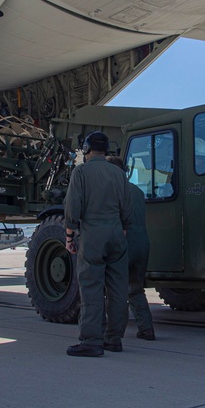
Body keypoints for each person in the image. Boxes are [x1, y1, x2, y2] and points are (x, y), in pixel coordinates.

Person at [64, 131, 133, 357]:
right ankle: (114, 339)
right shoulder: (118, 173)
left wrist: (69, 236)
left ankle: (92, 341)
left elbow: (73, 206)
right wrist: (121, 228)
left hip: (93, 233)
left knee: (92, 287)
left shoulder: (81, 172)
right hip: (116, 233)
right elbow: (127, 207)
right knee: (117, 289)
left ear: (86, 148)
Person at [107, 156, 156, 341]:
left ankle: (114, 333)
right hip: (142, 245)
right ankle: (146, 329)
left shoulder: (112, 191)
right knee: (135, 288)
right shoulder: (137, 191)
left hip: (123, 245)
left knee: (115, 291)